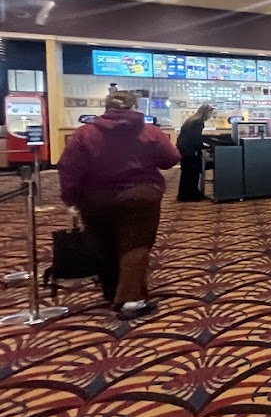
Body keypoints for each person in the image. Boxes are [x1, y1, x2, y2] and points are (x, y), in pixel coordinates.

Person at [59, 90, 180, 317]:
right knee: (135, 246)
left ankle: (112, 291)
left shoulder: (85, 133)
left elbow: (69, 168)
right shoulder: (149, 131)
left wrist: (71, 199)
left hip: (95, 197)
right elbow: (170, 159)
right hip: (140, 196)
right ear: (135, 106)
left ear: (106, 107)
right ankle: (131, 300)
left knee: (102, 244)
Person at [175, 103, 213, 201]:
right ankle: (191, 195)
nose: (210, 116)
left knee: (186, 173)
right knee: (193, 172)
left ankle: (184, 194)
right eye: (210, 114)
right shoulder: (198, 122)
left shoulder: (191, 120)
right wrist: (202, 146)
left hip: (183, 148)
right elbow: (195, 138)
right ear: (206, 113)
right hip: (190, 150)